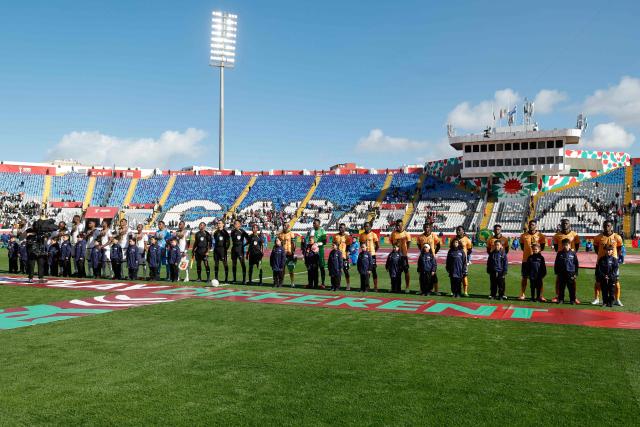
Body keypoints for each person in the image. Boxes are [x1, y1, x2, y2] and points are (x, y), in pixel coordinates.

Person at [592, 220, 623, 306]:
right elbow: (596, 249)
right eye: (605, 226)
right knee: (598, 281)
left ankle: (617, 299)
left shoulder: (617, 237)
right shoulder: (598, 237)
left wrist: (615, 258)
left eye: (608, 226)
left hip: (613, 264)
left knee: (616, 282)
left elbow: (619, 249)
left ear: (611, 226)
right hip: (601, 263)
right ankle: (597, 298)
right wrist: (601, 257)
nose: (606, 227)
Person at [552, 219, 581, 303]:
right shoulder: (557, 235)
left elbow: (577, 246)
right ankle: (558, 296)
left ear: (569, 224)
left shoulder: (575, 235)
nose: (565, 224)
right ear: (561, 224)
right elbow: (556, 247)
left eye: (566, 223)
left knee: (572, 281)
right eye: (563, 223)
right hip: (561, 259)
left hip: (570, 259)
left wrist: (572, 253)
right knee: (559, 280)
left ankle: (573, 297)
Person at [519, 220, 546, 301]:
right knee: (524, 277)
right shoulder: (523, 235)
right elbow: (522, 247)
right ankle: (523, 294)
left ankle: (540, 295)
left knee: (539, 278)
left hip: (537, 261)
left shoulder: (540, 236)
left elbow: (542, 247)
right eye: (530, 224)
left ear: (536, 226)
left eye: (533, 225)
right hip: (526, 260)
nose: (531, 226)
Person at [554, 238, 579, 304]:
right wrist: (556, 272)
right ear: (562, 245)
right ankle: (561, 299)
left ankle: (572, 300)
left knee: (571, 287)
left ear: (569, 245)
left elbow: (576, 263)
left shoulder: (573, 253)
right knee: (561, 287)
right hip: (561, 273)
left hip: (571, 273)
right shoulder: (559, 253)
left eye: (567, 245)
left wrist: (576, 273)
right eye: (564, 245)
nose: (565, 246)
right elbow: (556, 263)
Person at [389, 220, 411, 293]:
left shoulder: (406, 233)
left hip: (403, 256)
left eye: (399, 225)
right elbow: (392, 241)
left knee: (406, 271)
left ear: (402, 225)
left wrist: (405, 251)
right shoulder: (393, 233)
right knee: (395, 272)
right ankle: (395, 287)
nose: (397, 227)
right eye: (396, 225)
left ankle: (407, 287)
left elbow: (408, 243)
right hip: (396, 256)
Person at [358, 222, 380, 291]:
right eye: (365, 226)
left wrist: (373, 252)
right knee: (365, 271)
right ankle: (367, 286)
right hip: (364, 255)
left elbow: (377, 245)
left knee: (373, 271)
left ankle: (375, 286)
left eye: (367, 226)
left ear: (370, 227)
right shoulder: (361, 235)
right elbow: (361, 245)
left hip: (372, 255)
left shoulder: (374, 235)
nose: (366, 227)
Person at [307, 219, 328, 287]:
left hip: (320, 251)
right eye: (313, 223)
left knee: (321, 267)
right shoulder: (312, 230)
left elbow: (325, 242)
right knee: (312, 267)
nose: (313, 224)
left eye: (315, 223)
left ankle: (323, 283)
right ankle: (312, 283)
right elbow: (310, 239)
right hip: (312, 251)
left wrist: (317, 244)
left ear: (319, 224)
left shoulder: (322, 230)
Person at [332, 223, 352, 290]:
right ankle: (338, 285)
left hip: (344, 256)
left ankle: (348, 285)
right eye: (340, 227)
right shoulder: (335, 236)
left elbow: (349, 247)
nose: (340, 228)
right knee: (337, 271)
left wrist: (347, 255)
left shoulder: (347, 237)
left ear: (344, 228)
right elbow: (334, 245)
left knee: (346, 271)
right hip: (337, 257)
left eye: (342, 227)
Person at [454, 226, 473, 297]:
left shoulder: (467, 239)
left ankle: (465, 291)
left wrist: (466, 259)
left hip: (463, 262)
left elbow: (470, 250)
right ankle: (455, 290)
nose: (458, 231)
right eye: (457, 230)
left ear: (463, 231)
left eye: (459, 230)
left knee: (464, 276)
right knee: (455, 277)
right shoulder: (454, 239)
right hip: (455, 262)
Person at [278, 223, 297, 287]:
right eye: (284, 225)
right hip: (282, 254)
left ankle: (292, 282)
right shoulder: (281, 234)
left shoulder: (291, 234)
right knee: (282, 269)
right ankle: (281, 282)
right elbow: (278, 243)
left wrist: (293, 252)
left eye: (286, 225)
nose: (284, 226)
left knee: (290, 269)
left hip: (289, 254)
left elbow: (294, 244)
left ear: (288, 226)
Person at [230, 219, 249, 284]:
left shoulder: (242, 231)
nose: (234, 224)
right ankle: (234, 279)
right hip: (234, 250)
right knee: (234, 264)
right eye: (234, 223)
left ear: (239, 225)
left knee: (242, 264)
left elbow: (248, 239)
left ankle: (244, 280)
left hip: (240, 250)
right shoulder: (232, 232)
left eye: (236, 223)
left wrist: (243, 245)